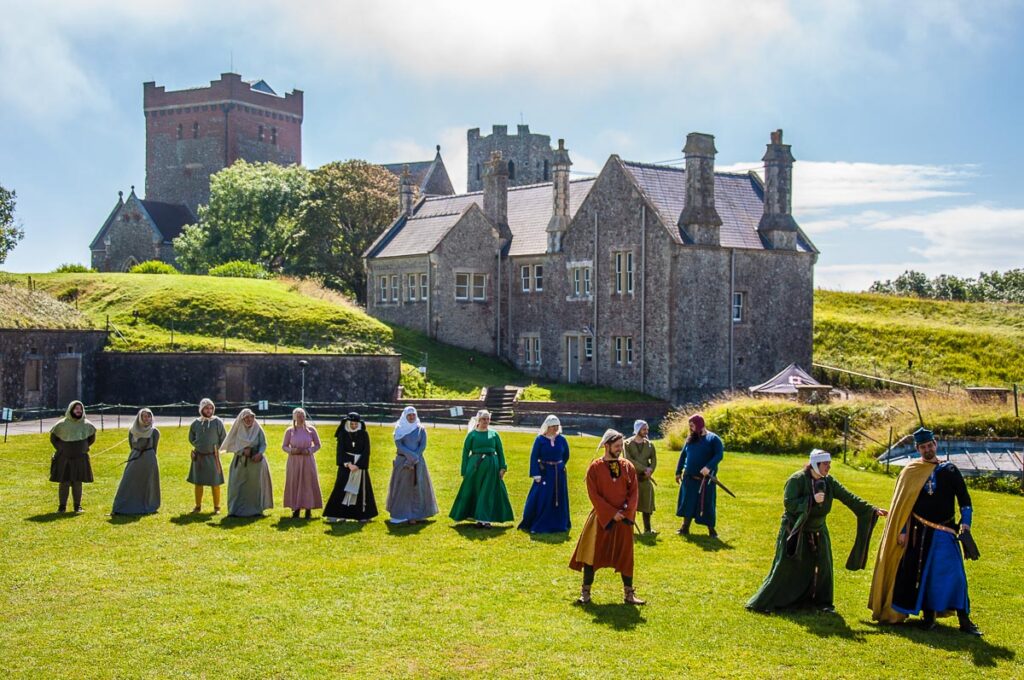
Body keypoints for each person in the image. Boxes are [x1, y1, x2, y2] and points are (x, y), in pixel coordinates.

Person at [869, 427, 982, 635]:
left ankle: (964, 620)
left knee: (956, 576)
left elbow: (965, 500)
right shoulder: (911, 471)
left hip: (946, 532)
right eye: (923, 447)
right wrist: (902, 530)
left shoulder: (949, 470)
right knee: (925, 577)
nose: (928, 449)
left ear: (935, 445)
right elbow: (904, 506)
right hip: (919, 536)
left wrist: (966, 524)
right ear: (918, 448)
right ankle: (928, 617)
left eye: (930, 445)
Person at [746, 449, 888, 612]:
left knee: (824, 567)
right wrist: (811, 500)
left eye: (829, 464)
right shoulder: (797, 480)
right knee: (784, 568)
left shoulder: (829, 482)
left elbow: (849, 497)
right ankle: (765, 602)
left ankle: (823, 604)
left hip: (819, 530)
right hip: (795, 530)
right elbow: (789, 504)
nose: (828, 467)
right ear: (815, 464)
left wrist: (871, 510)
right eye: (825, 464)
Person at [569, 429, 645, 605]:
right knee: (592, 555)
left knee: (626, 556)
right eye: (616, 446)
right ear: (606, 445)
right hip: (601, 518)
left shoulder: (628, 467)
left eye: (620, 446)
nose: (620, 449)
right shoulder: (594, 468)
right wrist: (611, 513)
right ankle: (585, 593)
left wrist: (624, 513)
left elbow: (634, 493)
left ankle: (629, 594)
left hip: (624, 520)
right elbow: (594, 495)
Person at [449, 410, 514, 527]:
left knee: (487, 492)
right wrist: (464, 470)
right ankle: (478, 518)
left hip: (491, 466)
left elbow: (500, 451)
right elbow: (465, 453)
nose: (486, 421)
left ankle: (486, 519)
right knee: (477, 491)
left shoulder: (494, 434)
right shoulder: (472, 435)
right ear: (478, 420)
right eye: (483, 419)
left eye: (488, 419)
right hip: (475, 467)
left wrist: (502, 467)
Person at [518, 414, 571, 534]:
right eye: (553, 426)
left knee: (558, 497)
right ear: (547, 426)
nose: (555, 428)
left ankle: (559, 523)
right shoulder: (540, 440)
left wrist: (559, 465)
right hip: (545, 473)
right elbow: (534, 457)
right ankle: (540, 522)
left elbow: (566, 455)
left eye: (557, 426)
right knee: (543, 497)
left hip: (558, 474)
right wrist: (536, 473)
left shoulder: (561, 439)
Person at [385, 406, 438, 525]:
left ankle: (416, 514)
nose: (411, 417)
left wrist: (414, 458)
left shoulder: (421, 429)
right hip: (403, 462)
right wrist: (410, 458)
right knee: (403, 487)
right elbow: (400, 446)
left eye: (413, 414)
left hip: (418, 462)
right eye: (409, 415)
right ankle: (402, 513)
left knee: (417, 487)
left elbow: (422, 446)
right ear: (405, 416)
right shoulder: (399, 429)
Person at [675, 413, 724, 538]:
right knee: (688, 502)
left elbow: (719, 455)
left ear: (699, 425)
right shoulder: (691, 439)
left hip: (706, 480)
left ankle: (711, 530)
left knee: (707, 504)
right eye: (690, 426)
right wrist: (678, 471)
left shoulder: (713, 439)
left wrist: (708, 467)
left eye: (692, 426)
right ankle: (685, 527)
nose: (691, 428)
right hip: (689, 478)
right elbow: (683, 455)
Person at [324, 412, 378, 522]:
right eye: (351, 424)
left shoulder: (363, 434)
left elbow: (366, 451)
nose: (353, 426)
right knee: (341, 488)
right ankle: (337, 514)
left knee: (360, 490)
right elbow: (340, 451)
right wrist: (348, 464)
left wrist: (358, 465)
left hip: (360, 466)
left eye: (355, 424)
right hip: (346, 466)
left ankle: (362, 515)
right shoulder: (343, 434)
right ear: (348, 423)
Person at [223, 408, 273, 518]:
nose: (249, 419)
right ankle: (234, 510)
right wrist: (241, 451)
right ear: (242, 419)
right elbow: (232, 445)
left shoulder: (258, 429)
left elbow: (263, 444)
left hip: (256, 462)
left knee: (254, 487)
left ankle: (255, 510)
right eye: (246, 417)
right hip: (240, 462)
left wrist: (259, 453)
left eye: (251, 417)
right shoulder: (238, 430)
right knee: (236, 486)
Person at [111, 408, 161, 515]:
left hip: (149, 459)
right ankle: (122, 506)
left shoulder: (154, 432)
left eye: (149, 416)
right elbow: (131, 445)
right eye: (144, 416)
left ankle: (147, 504)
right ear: (140, 417)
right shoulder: (132, 431)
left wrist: (149, 457)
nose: (146, 418)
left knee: (147, 484)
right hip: (135, 457)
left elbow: (154, 448)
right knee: (128, 481)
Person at [49, 400, 96, 513]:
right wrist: (61, 449)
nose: (78, 411)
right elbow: (53, 439)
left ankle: (77, 506)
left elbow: (91, 439)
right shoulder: (61, 424)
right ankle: (62, 507)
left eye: (80, 409)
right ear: (71, 410)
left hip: (80, 457)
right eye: (76, 409)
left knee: (77, 482)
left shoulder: (87, 425)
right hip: (64, 457)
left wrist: (82, 447)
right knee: (64, 482)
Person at [282, 408, 323, 519]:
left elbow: (318, 445)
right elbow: (284, 446)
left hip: (307, 461)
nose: (301, 418)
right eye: (298, 416)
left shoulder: (311, 430)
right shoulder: (289, 431)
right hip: (294, 461)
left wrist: (309, 451)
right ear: (294, 417)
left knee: (307, 483)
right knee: (295, 483)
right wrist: (292, 451)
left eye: (302, 416)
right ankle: (296, 509)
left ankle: (308, 509)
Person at [188, 398, 227, 514]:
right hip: (199, 457)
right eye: (206, 408)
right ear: (202, 409)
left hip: (212, 457)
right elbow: (191, 437)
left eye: (211, 408)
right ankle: (197, 506)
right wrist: (198, 446)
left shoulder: (217, 422)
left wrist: (216, 448)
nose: (209, 410)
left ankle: (217, 507)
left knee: (215, 483)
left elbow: (223, 438)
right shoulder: (196, 423)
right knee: (198, 483)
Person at [623, 419, 657, 534]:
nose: (646, 431)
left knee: (647, 504)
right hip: (632, 479)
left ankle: (647, 529)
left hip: (645, 479)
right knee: (630, 504)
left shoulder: (650, 445)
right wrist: (644, 468)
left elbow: (653, 459)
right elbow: (628, 459)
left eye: (647, 429)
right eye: (644, 429)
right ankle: (628, 528)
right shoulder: (626, 444)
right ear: (637, 430)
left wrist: (651, 469)